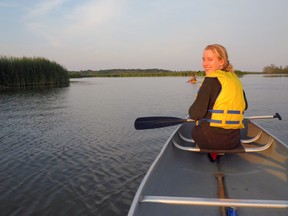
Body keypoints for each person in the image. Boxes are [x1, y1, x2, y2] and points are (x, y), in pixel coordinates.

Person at [188, 44, 248, 152]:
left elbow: (194, 114)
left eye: (210, 60)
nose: (204, 64)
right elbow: (245, 106)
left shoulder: (210, 80)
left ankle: (213, 154)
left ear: (221, 61)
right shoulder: (234, 79)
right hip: (233, 140)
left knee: (194, 130)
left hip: (210, 140)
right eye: (203, 59)